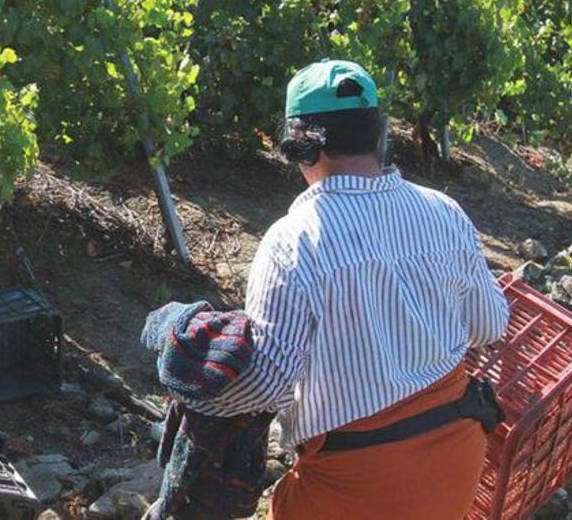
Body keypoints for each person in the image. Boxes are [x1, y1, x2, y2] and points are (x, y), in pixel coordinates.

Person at [180, 59, 511, 519]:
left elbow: (264, 387)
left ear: (300, 148)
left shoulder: (292, 242)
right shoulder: (444, 211)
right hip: (456, 452)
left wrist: (194, 383)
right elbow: (489, 325)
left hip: (358, 477)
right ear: (379, 135)